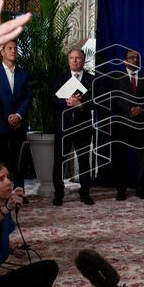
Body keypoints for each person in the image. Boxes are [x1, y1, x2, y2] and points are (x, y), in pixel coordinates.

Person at [0, 40, 31, 188]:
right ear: (2, 52)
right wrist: (7, 117)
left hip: (19, 124)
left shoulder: (24, 73)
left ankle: (19, 191)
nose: (13, 51)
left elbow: (28, 97)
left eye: (15, 48)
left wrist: (18, 115)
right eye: (9, 48)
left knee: (19, 161)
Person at [51, 48, 95, 206]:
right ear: (68, 60)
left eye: (78, 58)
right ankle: (58, 194)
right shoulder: (60, 78)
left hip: (83, 127)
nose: (75, 61)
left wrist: (81, 103)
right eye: (72, 58)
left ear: (83, 60)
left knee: (84, 162)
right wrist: (67, 102)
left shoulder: (92, 79)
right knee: (59, 162)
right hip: (63, 127)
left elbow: (98, 102)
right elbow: (52, 100)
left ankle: (85, 194)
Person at [111, 48, 144, 200]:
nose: (134, 60)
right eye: (131, 57)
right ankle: (121, 190)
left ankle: (140, 189)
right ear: (125, 61)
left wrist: (140, 108)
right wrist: (129, 109)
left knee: (142, 159)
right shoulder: (117, 78)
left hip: (141, 123)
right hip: (123, 125)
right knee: (121, 158)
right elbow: (116, 99)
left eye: (136, 57)